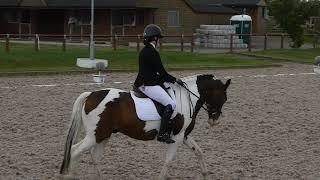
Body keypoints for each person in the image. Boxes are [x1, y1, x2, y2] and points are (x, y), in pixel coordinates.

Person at [134, 24, 183, 144]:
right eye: (158, 38)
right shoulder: (152, 52)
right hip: (148, 85)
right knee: (170, 104)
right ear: (155, 38)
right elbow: (162, 73)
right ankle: (162, 134)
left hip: (143, 82)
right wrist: (175, 80)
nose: (159, 40)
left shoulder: (144, 51)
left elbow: (153, 72)